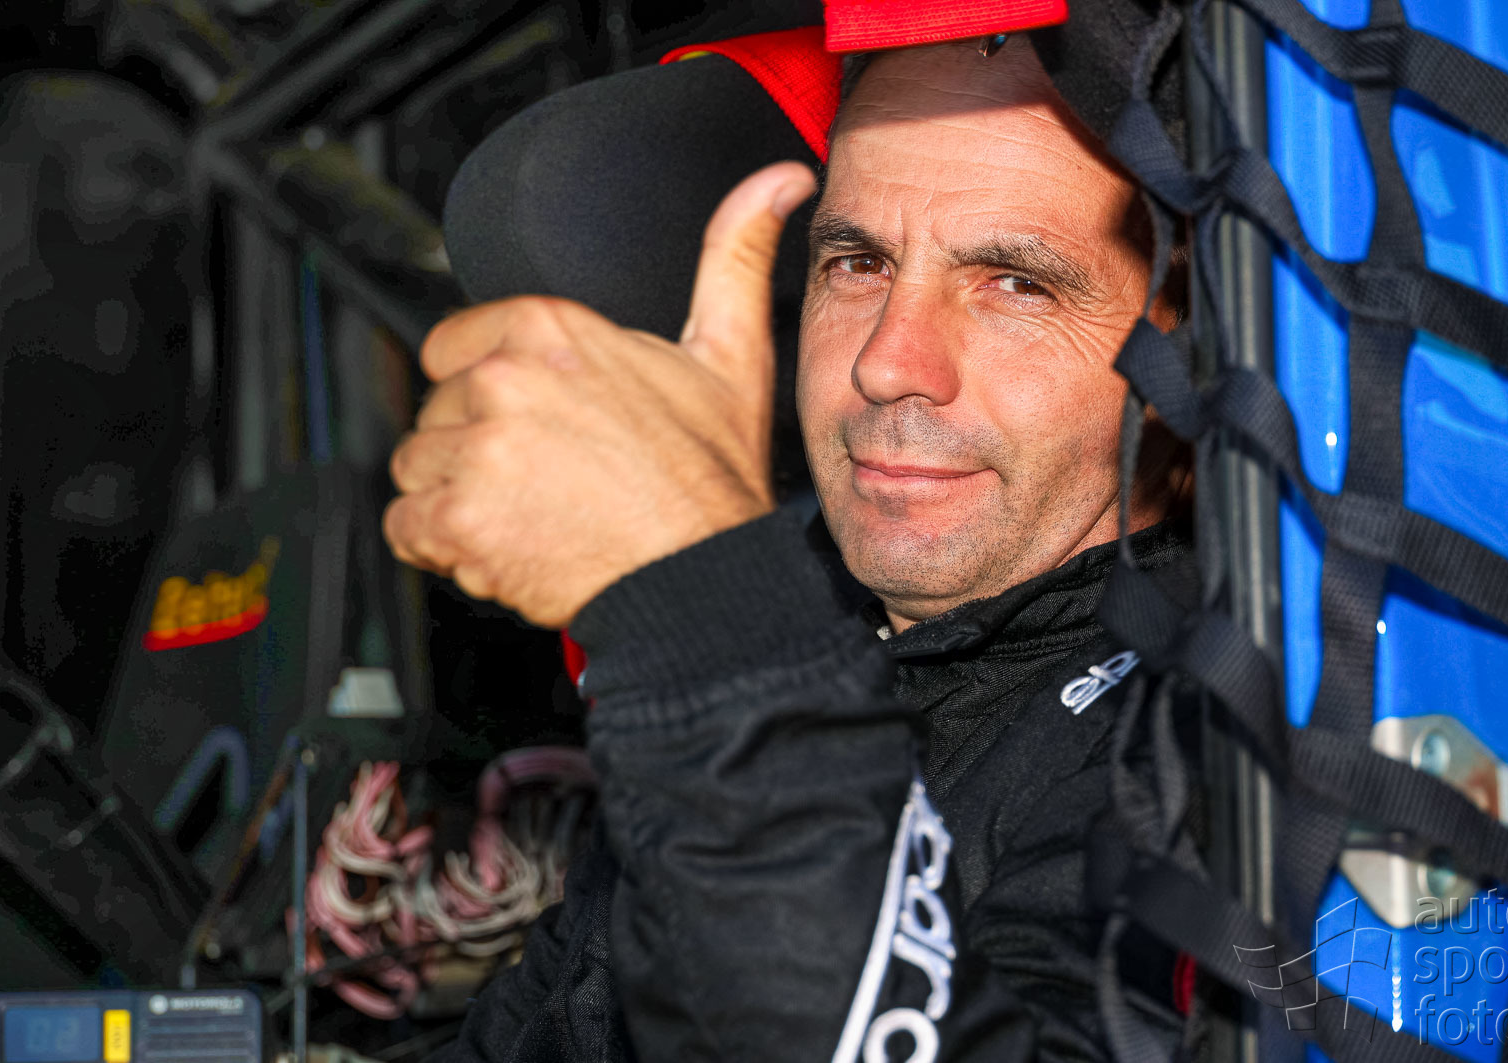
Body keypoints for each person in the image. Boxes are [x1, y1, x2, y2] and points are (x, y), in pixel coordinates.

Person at [386, 31, 1192, 1063]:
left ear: (1185, 356)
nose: (884, 362)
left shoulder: (1221, 735)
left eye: (1014, 284)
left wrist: (711, 637)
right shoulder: (815, 637)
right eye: (858, 263)